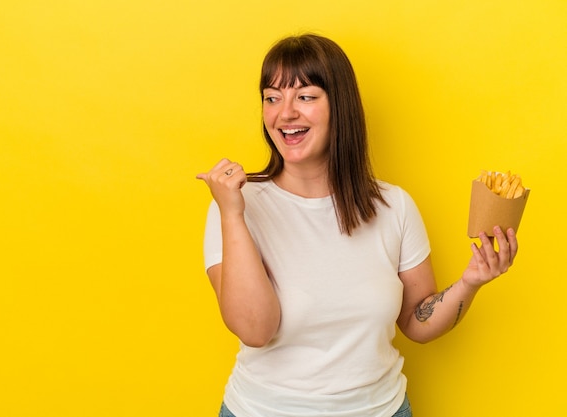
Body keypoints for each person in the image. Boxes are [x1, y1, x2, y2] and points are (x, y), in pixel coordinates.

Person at [196, 33, 518, 417]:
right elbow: (255, 329)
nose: (284, 113)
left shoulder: (393, 206)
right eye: (272, 97)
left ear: (340, 106)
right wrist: (233, 214)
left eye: (305, 96)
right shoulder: (235, 203)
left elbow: (417, 322)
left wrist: (472, 281)